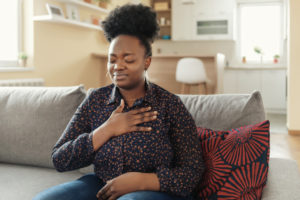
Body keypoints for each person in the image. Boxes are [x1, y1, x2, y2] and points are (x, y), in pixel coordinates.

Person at [33, 3, 205, 200]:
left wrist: (141, 181)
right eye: (112, 59)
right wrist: (107, 130)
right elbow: (59, 159)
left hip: (154, 191)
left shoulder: (169, 105)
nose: (118, 66)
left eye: (128, 60)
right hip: (101, 184)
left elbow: (193, 172)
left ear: (146, 61)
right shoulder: (96, 100)